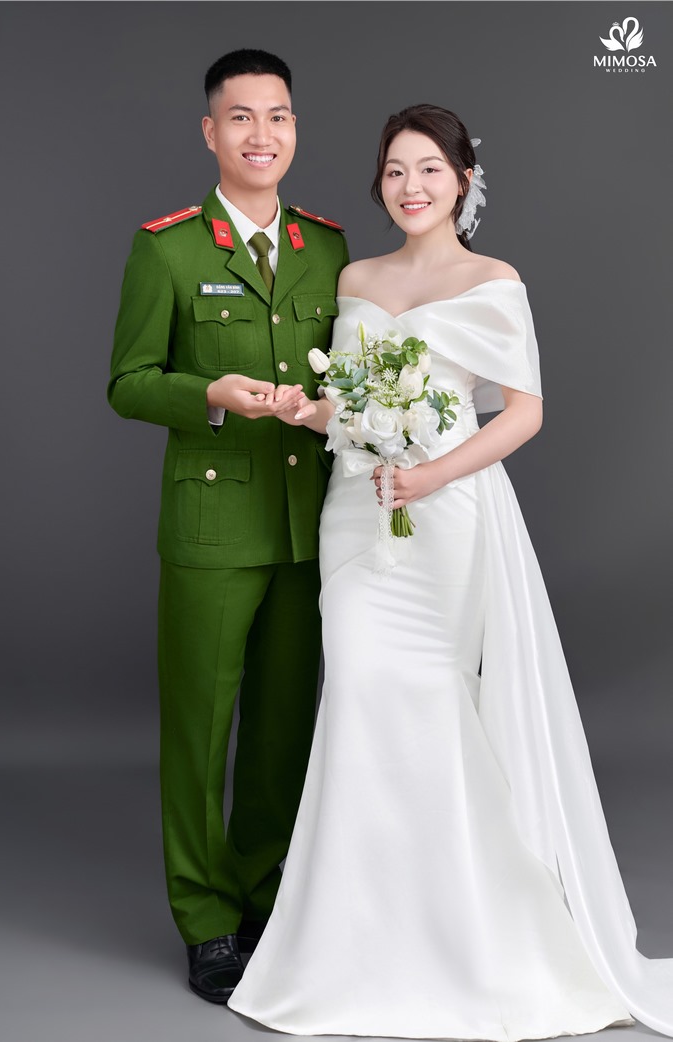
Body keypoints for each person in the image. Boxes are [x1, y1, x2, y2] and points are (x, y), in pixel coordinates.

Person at [228, 105, 673, 1038]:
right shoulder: (356, 277)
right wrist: (302, 410)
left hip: (445, 515)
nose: (411, 186)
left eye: (429, 168)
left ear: (463, 180)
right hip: (357, 512)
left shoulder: (493, 280)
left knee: (434, 701)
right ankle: (353, 944)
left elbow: (523, 413)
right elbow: (347, 406)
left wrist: (430, 474)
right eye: (395, 170)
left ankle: (471, 939)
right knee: (359, 694)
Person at [108, 49, 348, 1004]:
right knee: (200, 731)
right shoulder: (167, 248)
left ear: (294, 128)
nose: (261, 134)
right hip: (211, 528)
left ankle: (261, 898)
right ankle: (206, 919)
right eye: (241, 117)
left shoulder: (326, 248)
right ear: (211, 132)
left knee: (283, 731)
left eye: (277, 116)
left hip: (305, 526)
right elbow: (128, 383)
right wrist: (208, 392)